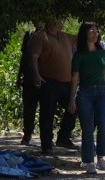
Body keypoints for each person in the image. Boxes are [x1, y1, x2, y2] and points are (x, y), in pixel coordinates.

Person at [67, 22, 105, 174]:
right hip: (85, 93)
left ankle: (101, 158)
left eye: (97, 31)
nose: (95, 34)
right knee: (87, 128)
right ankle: (89, 161)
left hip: (102, 93)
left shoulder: (102, 53)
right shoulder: (79, 55)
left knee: (103, 126)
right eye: (91, 31)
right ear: (85, 34)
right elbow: (75, 78)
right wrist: (72, 98)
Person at [29, 19, 78, 154]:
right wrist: (36, 75)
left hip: (67, 83)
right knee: (47, 113)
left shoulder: (64, 36)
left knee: (75, 106)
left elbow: (82, 38)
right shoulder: (40, 36)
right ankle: (46, 145)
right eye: (57, 20)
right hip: (49, 81)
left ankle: (63, 136)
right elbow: (33, 57)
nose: (61, 22)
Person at [17, 21, 45, 145]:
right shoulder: (30, 35)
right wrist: (19, 76)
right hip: (29, 77)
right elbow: (24, 57)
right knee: (28, 108)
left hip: (45, 76)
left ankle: (46, 137)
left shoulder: (48, 36)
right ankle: (27, 135)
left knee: (46, 109)